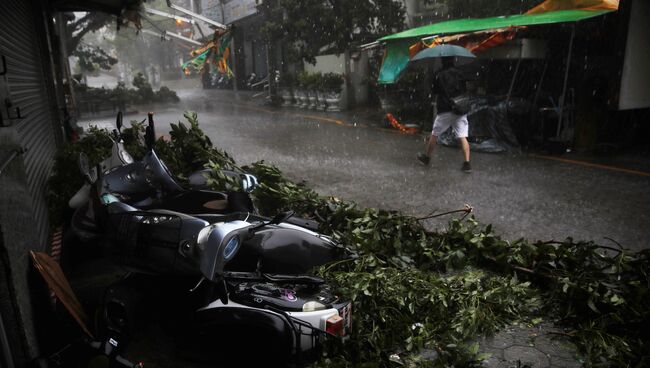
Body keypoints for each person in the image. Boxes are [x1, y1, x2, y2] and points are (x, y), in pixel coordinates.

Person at [417, 57, 472, 173]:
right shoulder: (460, 73)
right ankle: (467, 163)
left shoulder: (439, 74)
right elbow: (464, 89)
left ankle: (427, 157)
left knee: (435, 134)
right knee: (462, 136)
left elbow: (435, 91)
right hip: (459, 108)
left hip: (445, 109)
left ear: (442, 61)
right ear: (453, 60)